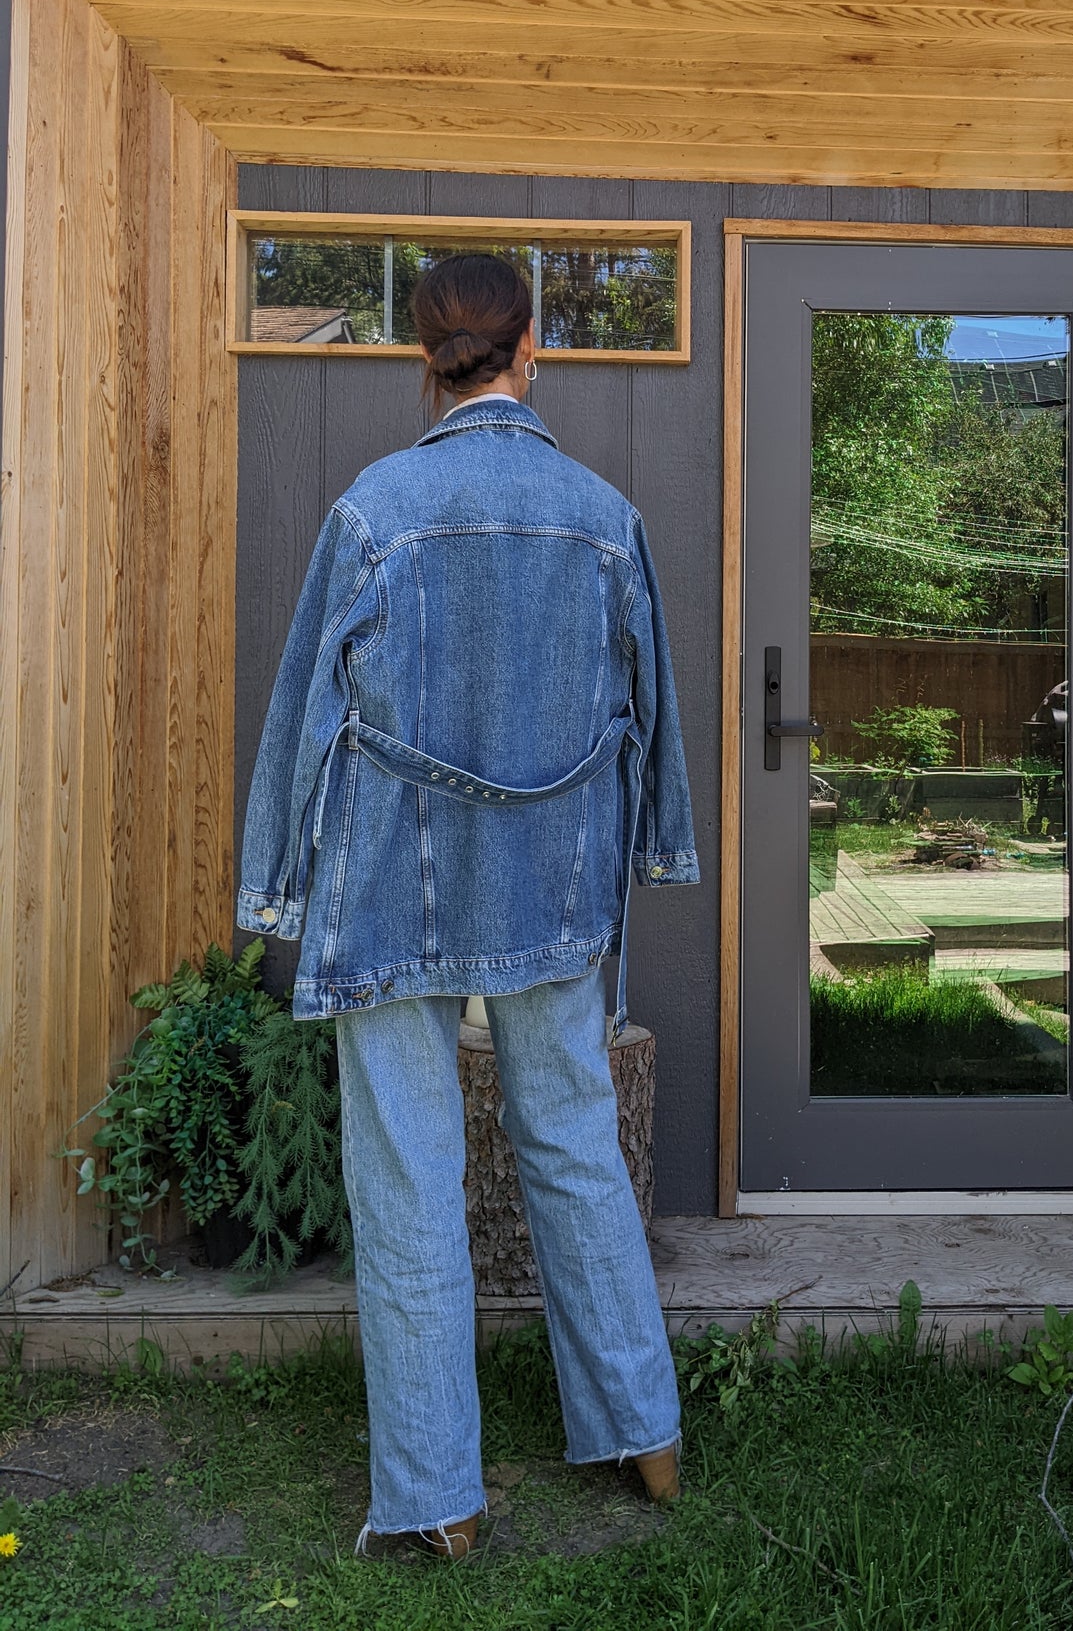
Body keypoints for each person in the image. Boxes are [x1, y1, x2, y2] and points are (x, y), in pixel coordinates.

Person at [235, 252, 700, 1560]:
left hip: (391, 890)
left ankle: (442, 1497)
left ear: (420, 357)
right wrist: (656, 848)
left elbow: (299, 719)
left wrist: (272, 886)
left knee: (407, 1180)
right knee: (574, 1149)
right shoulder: (604, 516)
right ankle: (643, 1437)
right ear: (530, 347)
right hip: (552, 887)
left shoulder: (374, 511)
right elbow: (650, 708)